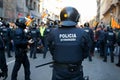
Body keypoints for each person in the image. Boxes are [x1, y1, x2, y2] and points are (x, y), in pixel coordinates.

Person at [47, 7, 89, 80]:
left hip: (59, 70)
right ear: (77, 18)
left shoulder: (53, 33)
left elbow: (51, 49)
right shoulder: (83, 33)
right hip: (75, 70)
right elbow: (86, 51)